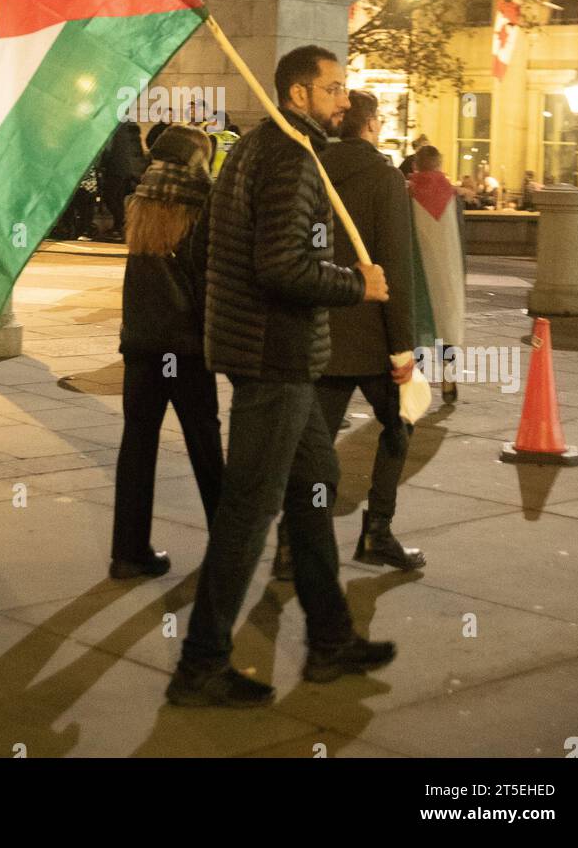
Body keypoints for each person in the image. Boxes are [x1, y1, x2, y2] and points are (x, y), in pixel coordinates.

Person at [167, 45, 394, 709]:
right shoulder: (292, 160)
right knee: (249, 512)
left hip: (265, 354)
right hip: (277, 359)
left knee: (313, 490)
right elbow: (280, 267)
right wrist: (358, 284)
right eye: (333, 89)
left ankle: (329, 639)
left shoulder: (251, 150)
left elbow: (211, 247)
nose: (343, 100)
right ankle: (201, 663)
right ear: (298, 95)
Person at [273, 90, 425, 577]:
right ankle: (377, 531)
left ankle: (290, 547)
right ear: (372, 125)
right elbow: (395, 268)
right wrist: (402, 346)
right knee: (399, 426)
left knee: (312, 449)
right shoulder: (384, 179)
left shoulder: (311, 171)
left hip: (320, 332)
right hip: (373, 339)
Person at [110, 126, 223, 578]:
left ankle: (127, 552)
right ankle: (227, 542)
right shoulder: (202, 205)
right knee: (205, 445)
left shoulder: (139, 200)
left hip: (140, 345)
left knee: (137, 444)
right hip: (187, 347)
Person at [409, 145, 466, 403]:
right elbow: (462, 240)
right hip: (448, 270)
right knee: (448, 322)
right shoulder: (453, 195)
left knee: (418, 324)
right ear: (440, 165)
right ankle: (448, 379)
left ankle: (418, 380)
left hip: (418, 269)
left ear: (415, 166)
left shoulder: (408, 193)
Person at [98, 119, 147, 241]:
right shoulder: (130, 128)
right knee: (119, 198)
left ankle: (120, 226)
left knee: (110, 197)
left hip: (116, 166)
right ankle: (121, 226)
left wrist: (102, 162)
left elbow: (109, 149)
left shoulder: (114, 127)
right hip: (128, 168)